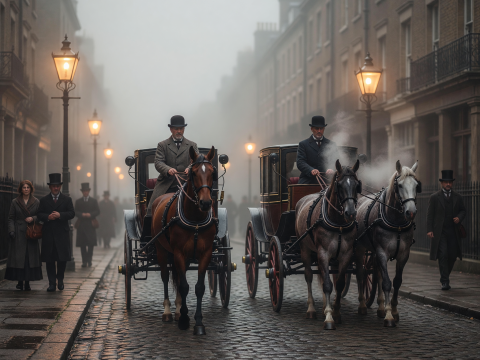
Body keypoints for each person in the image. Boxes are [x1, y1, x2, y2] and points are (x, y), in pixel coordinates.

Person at [147, 115, 199, 214]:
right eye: (176, 129)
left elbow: (196, 161)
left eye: (181, 129)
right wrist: (168, 169)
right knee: (152, 208)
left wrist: (190, 168)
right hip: (167, 184)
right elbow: (158, 162)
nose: (179, 131)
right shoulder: (162, 145)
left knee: (202, 202)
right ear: (171, 129)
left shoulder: (192, 145)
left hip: (187, 184)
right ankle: (150, 226)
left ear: (184, 129)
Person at [427, 170, 466, 290]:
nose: (448, 184)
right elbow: (430, 215)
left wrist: (459, 218)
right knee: (443, 255)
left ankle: (445, 276)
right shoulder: (434, 197)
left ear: (452, 183)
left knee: (453, 255)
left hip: (453, 231)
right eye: (445, 182)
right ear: (442, 183)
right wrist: (429, 229)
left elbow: (463, 210)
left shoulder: (458, 197)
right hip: (441, 232)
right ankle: (445, 281)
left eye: (450, 182)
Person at [37, 173, 75, 292]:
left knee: (61, 259)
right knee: (50, 259)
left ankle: (61, 280)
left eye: (58, 185)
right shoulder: (43, 200)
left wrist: (60, 215)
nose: (56, 188)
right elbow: (39, 214)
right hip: (49, 233)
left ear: (60, 186)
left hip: (62, 234)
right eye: (54, 186)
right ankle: (52, 283)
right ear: (50, 187)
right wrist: (48, 217)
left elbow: (72, 213)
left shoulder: (67, 199)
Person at [5, 180, 43, 290]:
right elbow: (11, 218)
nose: (26, 189)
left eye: (28, 187)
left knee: (28, 258)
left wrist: (33, 218)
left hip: (31, 232)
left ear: (31, 189)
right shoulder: (15, 202)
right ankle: (19, 282)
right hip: (18, 233)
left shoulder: (36, 202)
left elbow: (40, 216)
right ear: (21, 189)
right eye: (24, 187)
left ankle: (27, 283)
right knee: (19, 259)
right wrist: (11, 230)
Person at [296, 116, 338, 184]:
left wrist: (332, 168)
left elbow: (336, 160)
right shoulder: (303, 144)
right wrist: (311, 170)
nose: (319, 131)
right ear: (311, 129)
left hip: (327, 180)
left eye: (321, 128)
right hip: (308, 180)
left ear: (324, 129)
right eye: (316, 128)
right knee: (299, 193)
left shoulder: (331, 144)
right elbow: (300, 162)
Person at [74, 183, 100, 267]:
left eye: (86, 191)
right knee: (82, 244)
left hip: (90, 225)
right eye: (84, 191)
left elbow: (97, 211)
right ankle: (84, 261)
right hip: (81, 225)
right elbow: (75, 211)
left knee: (90, 244)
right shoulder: (78, 201)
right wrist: (82, 214)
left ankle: (89, 260)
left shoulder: (93, 201)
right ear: (82, 192)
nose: (85, 192)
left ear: (89, 191)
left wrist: (90, 214)